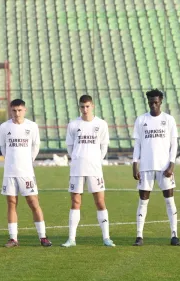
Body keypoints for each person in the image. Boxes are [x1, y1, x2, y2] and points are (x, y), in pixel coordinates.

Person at [61, 95, 114, 248]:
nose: (85, 109)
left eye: (87, 106)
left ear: (93, 106)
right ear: (79, 107)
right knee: (75, 202)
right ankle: (71, 239)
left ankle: (106, 238)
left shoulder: (101, 124)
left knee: (100, 201)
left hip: (95, 169)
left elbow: (104, 146)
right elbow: (70, 147)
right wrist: (77, 158)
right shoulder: (73, 124)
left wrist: (97, 160)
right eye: (82, 107)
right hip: (77, 169)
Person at [0, 99, 52, 247]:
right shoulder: (4, 127)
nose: (17, 113)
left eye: (19, 110)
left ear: (25, 110)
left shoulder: (32, 126)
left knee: (33, 202)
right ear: (10, 111)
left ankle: (43, 237)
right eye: (14, 110)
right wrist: (10, 160)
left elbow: (36, 146)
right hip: (10, 172)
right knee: (11, 203)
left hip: (26, 172)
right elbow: (3, 147)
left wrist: (28, 161)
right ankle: (13, 238)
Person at [132, 89, 180, 246]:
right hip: (146, 167)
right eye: (151, 102)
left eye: (156, 102)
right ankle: (139, 236)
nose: (153, 105)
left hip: (164, 167)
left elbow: (174, 144)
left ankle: (174, 235)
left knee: (169, 200)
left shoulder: (169, 120)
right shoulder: (141, 120)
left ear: (161, 102)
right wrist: (135, 164)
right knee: (143, 201)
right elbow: (137, 144)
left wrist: (172, 164)